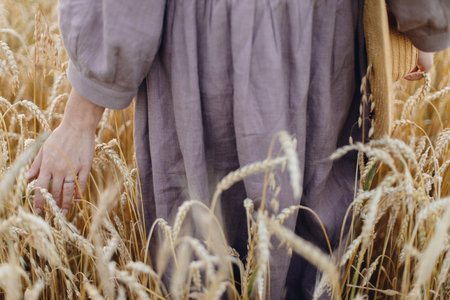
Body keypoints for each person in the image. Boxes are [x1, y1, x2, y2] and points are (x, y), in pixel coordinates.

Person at [27, 0, 449, 298]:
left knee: (201, 248)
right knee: (315, 252)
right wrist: (420, 19)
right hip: (323, 41)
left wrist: (81, 116)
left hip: (202, 47)